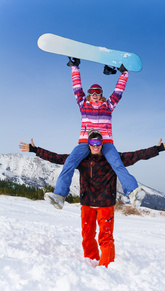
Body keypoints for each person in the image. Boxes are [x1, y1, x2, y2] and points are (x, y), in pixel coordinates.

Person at [19, 132, 165, 267]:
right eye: (92, 142)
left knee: (106, 237)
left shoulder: (113, 159)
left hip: (106, 204)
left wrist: (158, 148)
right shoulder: (82, 159)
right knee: (87, 235)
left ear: (102, 144)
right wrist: (35, 150)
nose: (95, 145)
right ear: (88, 144)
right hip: (87, 203)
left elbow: (137, 155)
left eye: (98, 142)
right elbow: (57, 158)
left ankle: (107, 266)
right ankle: (90, 260)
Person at [46, 58, 139, 208]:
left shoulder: (108, 105)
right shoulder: (83, 104)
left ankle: (133, 192)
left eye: (98, 92)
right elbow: (76, 87)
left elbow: (118, 92)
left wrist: (124, 74)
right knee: (69, 163)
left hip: (106, 142)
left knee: (117, 165)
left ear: (102, 94)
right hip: (85, 142)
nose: (95, 94)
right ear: (88, 94)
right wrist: (75, 67)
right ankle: (59, 196)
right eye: (92, 92)